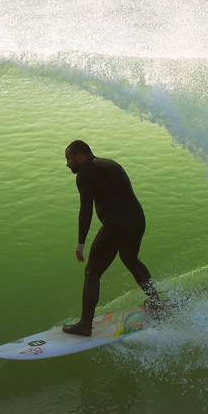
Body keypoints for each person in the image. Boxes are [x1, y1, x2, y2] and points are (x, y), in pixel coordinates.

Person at [62, 140, 163, 336]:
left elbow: (86, 209)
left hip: (116, 225)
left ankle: (84, 325)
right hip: (137, 220)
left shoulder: (85, 174)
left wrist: (81, 242)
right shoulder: (111, 163)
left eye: (69, 159)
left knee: (92, 272)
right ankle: (156, 302)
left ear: (80, 155)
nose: (67, 164)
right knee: (130, 259)